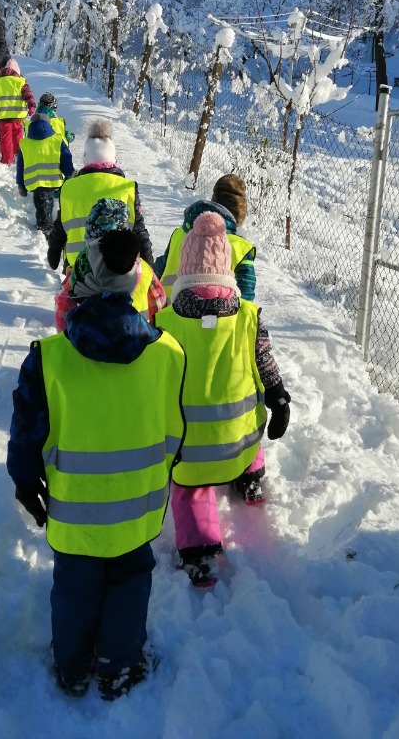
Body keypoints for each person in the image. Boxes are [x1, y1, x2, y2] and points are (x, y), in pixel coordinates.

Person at [7, 228, 187, 700]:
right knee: (130, 580)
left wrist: (26, 483)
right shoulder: (168, 354)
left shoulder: (48, 360)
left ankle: (71, 667)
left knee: (74, 586)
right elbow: (176, 432)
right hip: (138, 511)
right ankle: (118, 666)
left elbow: (27, 437)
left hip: (74, 513)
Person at [154, 211, 291, 589]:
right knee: (247, 403)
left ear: (184, 271)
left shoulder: (165, 324)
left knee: (191, 488)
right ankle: (251, 480)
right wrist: (279, 398)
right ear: (227, 269)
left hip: (189, 453)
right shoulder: (249, 317)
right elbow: (266, 367)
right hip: (241, 444)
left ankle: (200, 554)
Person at [46, 118, 154, 273]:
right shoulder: (127, 188)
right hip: (118, 269)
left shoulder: (69, 188)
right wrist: (149, 263)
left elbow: (60, 227)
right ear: (114, 158)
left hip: (77, 269)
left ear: (86, 157)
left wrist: (54, 252)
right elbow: (139, 230)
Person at [54, 198, 167, 331]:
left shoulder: (79, 270)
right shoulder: (144, 270)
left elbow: (63, 313)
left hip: (88, 341)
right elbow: (159, 305)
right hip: (136, 339)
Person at [156, 174, 256, 304]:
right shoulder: (241, 247)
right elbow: (246, 297)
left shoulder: (179, 233)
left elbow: (159, 268)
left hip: (167, 310)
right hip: (214, 315)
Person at [17, 104, 75, 238]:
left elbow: (20, 166)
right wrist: (69, 174)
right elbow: (66, 157)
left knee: (42, 203)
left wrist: (21, 185)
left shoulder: (25, 144)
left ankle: (45, 226)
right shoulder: (57, 140)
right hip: (54, 179)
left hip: (35, 181)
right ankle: (51, 225)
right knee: (49, 200)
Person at [0, 57, 36, 165]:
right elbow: (28, 95)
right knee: (18, 135)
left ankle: (7, 160)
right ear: (17, 71)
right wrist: (31, 106)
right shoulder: (20, 82)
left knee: (5, 138)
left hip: (3, 115)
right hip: (18, 115)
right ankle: (18, 156)